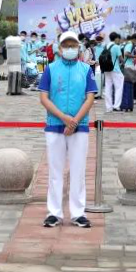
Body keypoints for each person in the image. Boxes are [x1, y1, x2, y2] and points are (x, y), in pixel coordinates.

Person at [39, 30, 97, 228]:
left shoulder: (86, 70)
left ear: (78, 47)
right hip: (54, 126)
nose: (70, 48)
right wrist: (64, 118)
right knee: (55, 171)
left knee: (78, 171)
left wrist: (75, 121)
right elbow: (44, 98)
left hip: (79, 127)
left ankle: (78, 212)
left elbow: (90, 97)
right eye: (66, 45)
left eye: (73, 45)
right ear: (59, 47)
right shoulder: (51, 69)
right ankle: (54, 212)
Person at [100, 32, 123, 112]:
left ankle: (108, 107)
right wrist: (123, 62)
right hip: (115, 69)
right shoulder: (116, 47)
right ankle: (116, 106)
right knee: (118, 87)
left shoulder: (106, 46)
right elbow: (121, 59)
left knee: (108, 88)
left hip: (106, 69)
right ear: (116, 38)